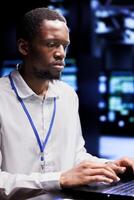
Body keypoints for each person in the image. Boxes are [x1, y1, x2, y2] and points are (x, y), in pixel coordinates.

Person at [0, 7, 134, 199]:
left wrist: (109, 166)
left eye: (64, 45)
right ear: (24, 47)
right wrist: (59, 180)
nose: (61, 53)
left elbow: (76, 157)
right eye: (52, 44)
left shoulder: (68, 95)